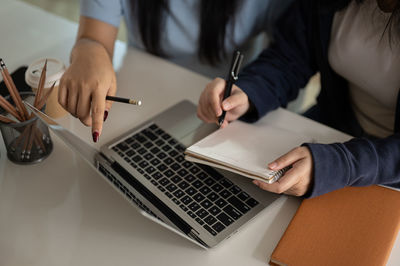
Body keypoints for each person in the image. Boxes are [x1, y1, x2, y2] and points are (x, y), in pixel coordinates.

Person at [197, 0, 400, 198]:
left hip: (388, 166)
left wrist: (337, 164)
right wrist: (249, 92)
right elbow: (289, 56)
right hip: (331, 128)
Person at [58, 0, 293, 142]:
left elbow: (288, 61)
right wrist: (89, 52)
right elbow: (93, 39)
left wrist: (251, 92)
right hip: (137, 108)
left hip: (226, 119)